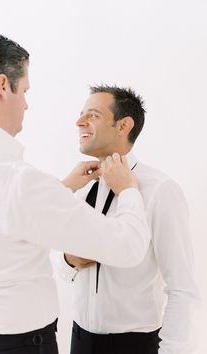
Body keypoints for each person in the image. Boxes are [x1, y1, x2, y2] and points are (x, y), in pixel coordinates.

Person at [0, 34, 151, 354]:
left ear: (124, 125)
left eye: (92, 115)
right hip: (19, 346)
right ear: (2, 85)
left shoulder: (1, 175)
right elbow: (127, 247)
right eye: (24, 90)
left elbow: (3, 214)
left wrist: (62, 187)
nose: (26, 103)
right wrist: (127, 191)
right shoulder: (18, 180)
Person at [53, 85, 199, 354]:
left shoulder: (159, 190)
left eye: (93, 115)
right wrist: (68, 260)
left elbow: (182, 287)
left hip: (134, 345)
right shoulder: (81, 185)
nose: (79, 121)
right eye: (81, 114)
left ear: (124, 125)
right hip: (79, 340)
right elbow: (61, 268)